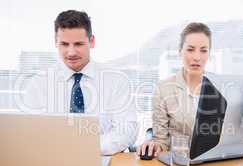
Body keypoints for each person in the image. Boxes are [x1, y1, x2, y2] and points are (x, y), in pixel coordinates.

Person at [20, 10, 138, 155]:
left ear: (92, 41)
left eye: (78, 44)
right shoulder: (38, 84)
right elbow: (30, 132)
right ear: (55, 42)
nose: (71, 52)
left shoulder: (116, 81)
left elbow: (127, 130)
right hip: (52, 159)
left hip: (101, 158)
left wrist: (83, 150)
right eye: (64, 44)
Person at [137, 22, 211, 157]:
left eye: (203, 50)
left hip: (218, 162)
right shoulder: (163, 89)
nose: (197, 57)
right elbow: (161, 141)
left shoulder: (220, 88)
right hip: (179, 165)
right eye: (190, 49)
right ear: (180, 51)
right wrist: (154, 145)